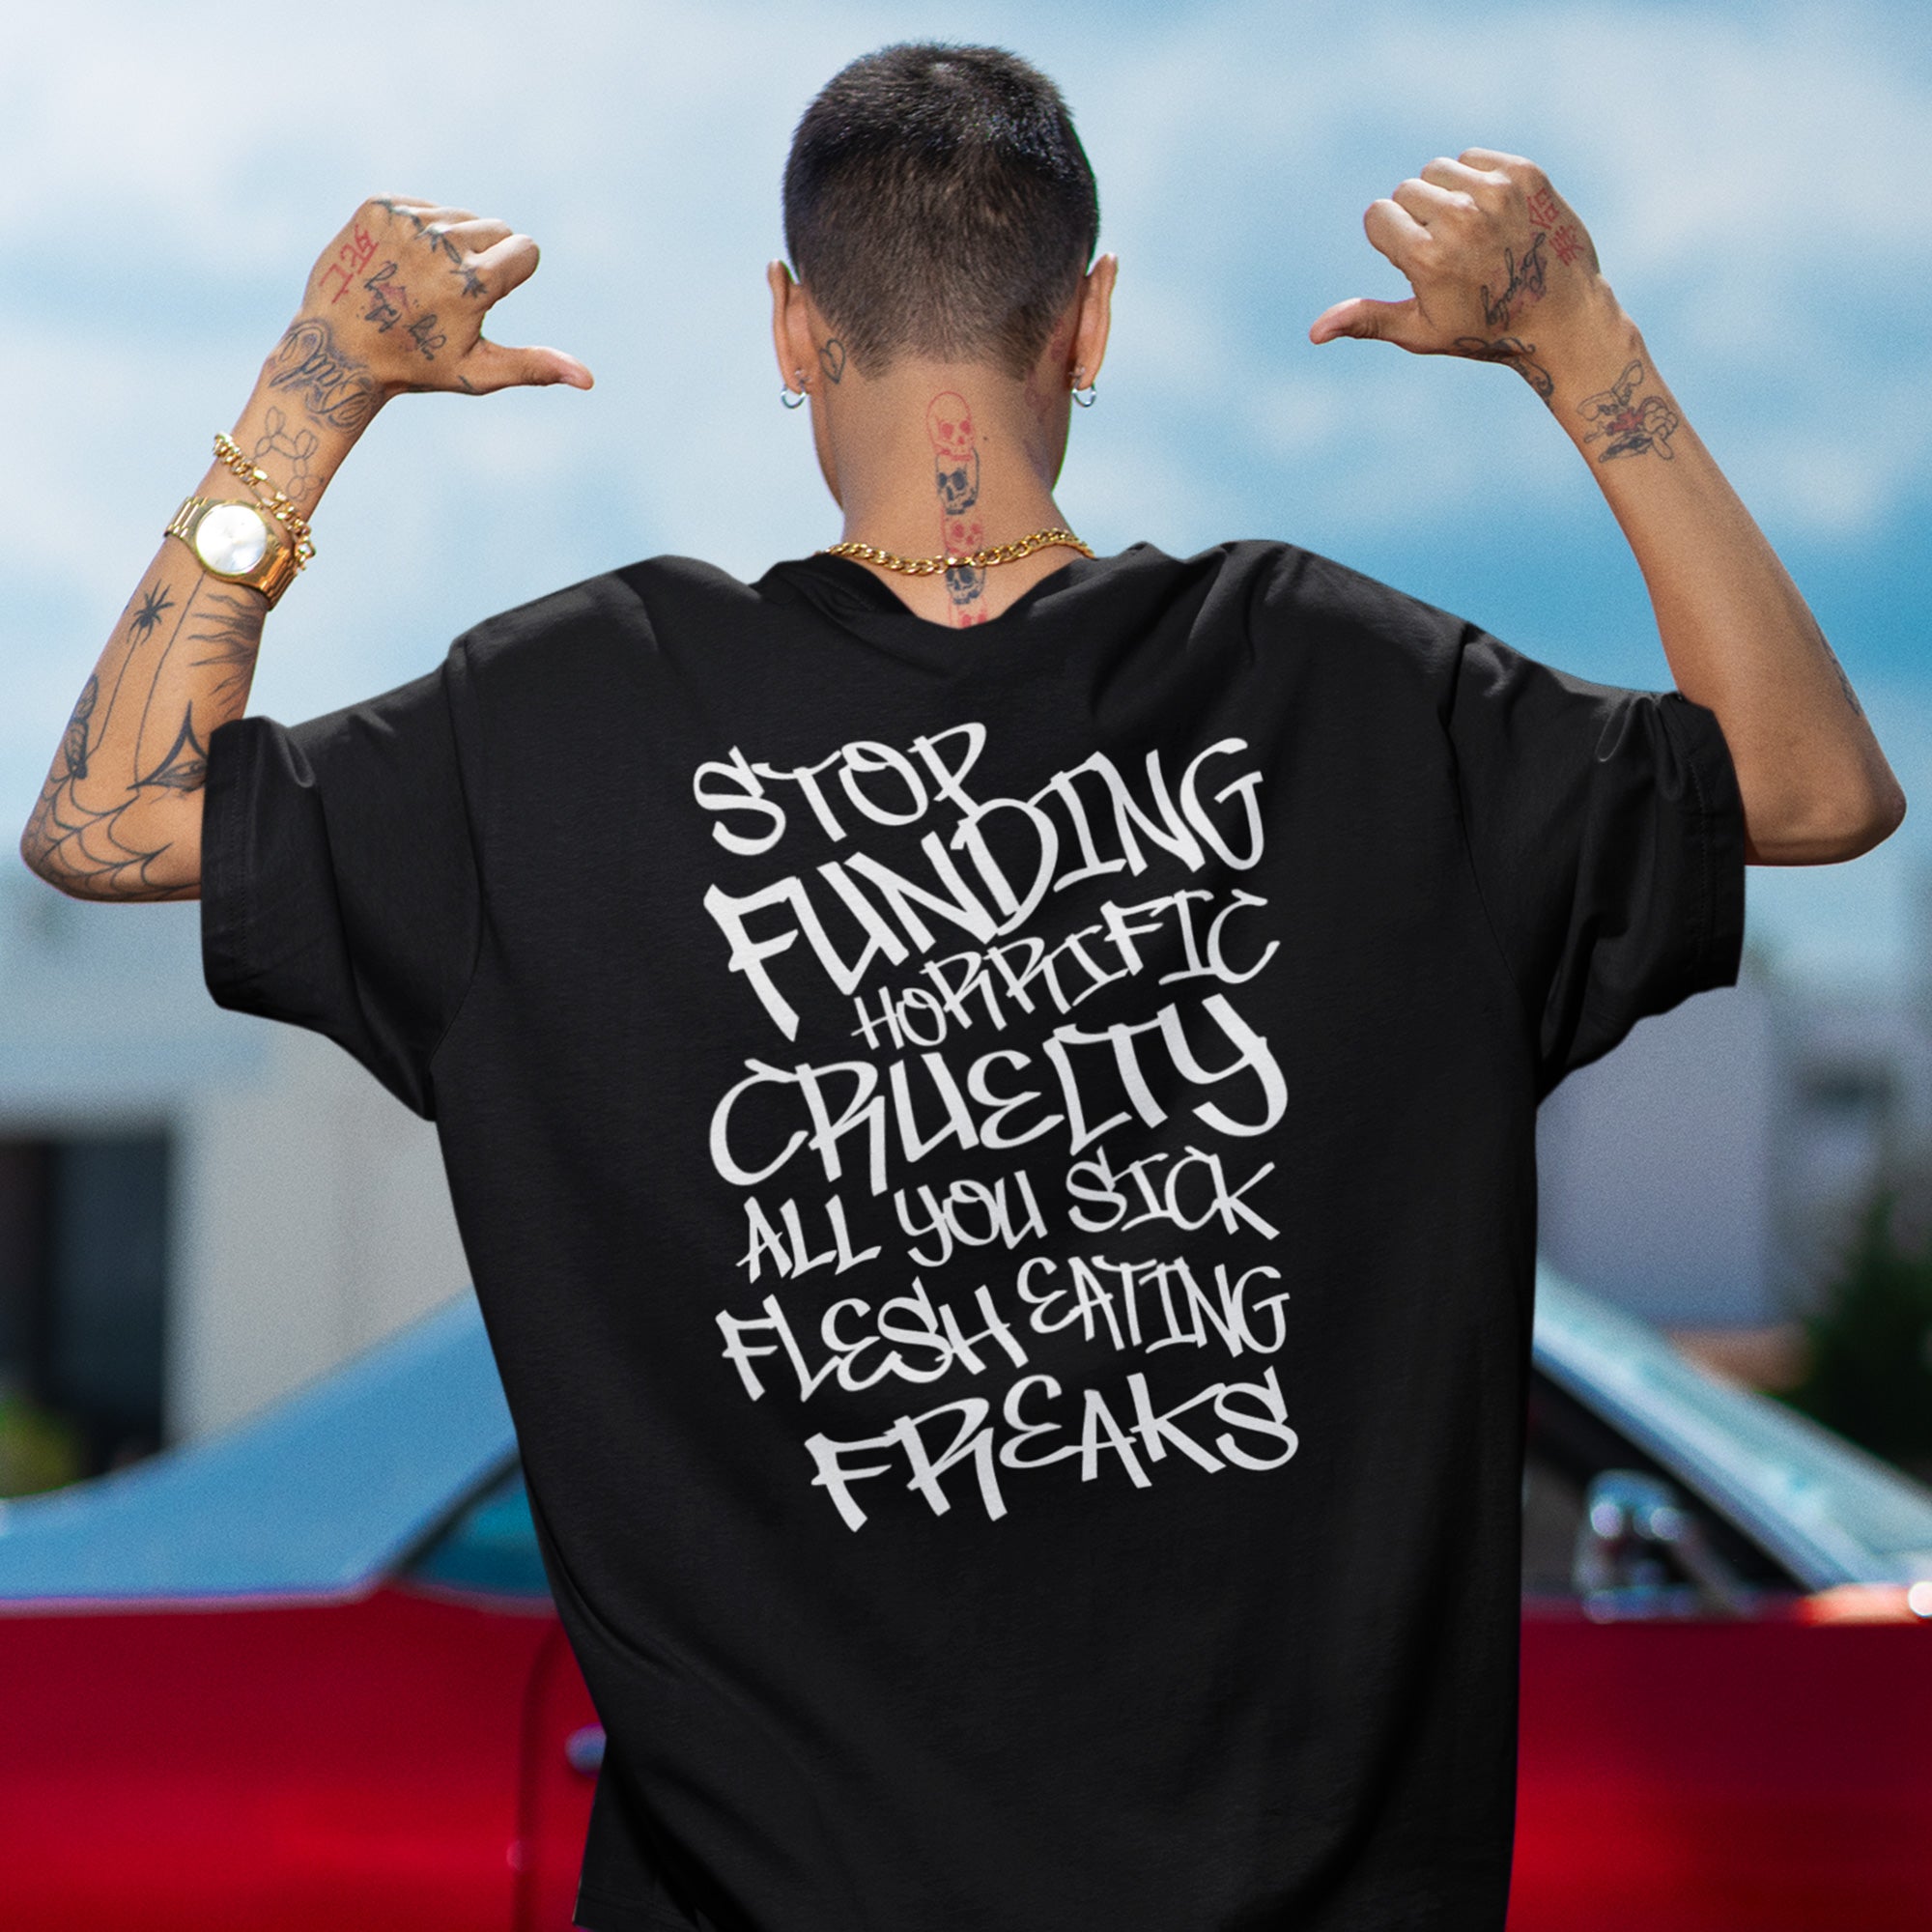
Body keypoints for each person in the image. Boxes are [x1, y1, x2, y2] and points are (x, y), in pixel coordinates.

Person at [19, 40, 1903, 1932]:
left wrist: (317, 381)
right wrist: (1581, 344)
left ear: (790, 327)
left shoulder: (563, 726)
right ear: (1092, 324)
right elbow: (1817, 786)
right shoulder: (1351, 695)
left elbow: (107, 822)